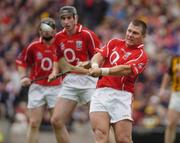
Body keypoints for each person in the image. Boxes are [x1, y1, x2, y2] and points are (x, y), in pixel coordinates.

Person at [88, 19, 148, 143]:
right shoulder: (114, 42)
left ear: (143, 36)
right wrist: (94, 65)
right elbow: (99, 55)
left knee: (123, 139)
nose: (130, 35)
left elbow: (125, 69)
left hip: (121, 96)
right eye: (129, 31)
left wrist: (102, 71)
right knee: (101, 135)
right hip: (101, 93)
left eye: (135, 33)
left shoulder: (141, 55)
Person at [48, 5, 101, 143]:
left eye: (69, 18)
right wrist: (54, 71)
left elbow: (100, 57)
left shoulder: (87, 34)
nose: (66, 22)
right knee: (56, 121)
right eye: (63, 19)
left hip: (89, 82)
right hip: (70, 82)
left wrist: (87, 64)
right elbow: (57, 58)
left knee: (99, 126)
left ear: (75, 18)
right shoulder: (58, 37)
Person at [16, 17, 62, 143]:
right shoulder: (33, 46)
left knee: (57, 123)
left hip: (56, 87)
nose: (46, 32)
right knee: (34, 122)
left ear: (54, 31)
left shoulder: (60, 45)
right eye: (43, 30)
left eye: (49, 30)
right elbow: (21, 62)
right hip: (37, 86)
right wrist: (24, 76)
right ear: (40, 32)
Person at [159, 55, 180, 143]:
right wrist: (162, 88)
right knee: (171, 123)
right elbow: (168, 73)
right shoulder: (176, 59)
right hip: (176, 93)